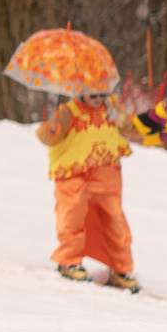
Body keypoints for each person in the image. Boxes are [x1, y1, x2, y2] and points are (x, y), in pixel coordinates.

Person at [35, 93, 142, 292]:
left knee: (115, 221)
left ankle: (120, 270)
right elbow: (47, 137)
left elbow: (131, 125)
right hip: (74, 175)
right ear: (81, 92)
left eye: (102, 92)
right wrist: (52, 128)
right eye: (93, 94)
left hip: (106, 175)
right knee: (72, 217)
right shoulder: (68, 111)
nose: (98, 98)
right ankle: (69, 261)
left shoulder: (110, 107)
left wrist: (160, 116)